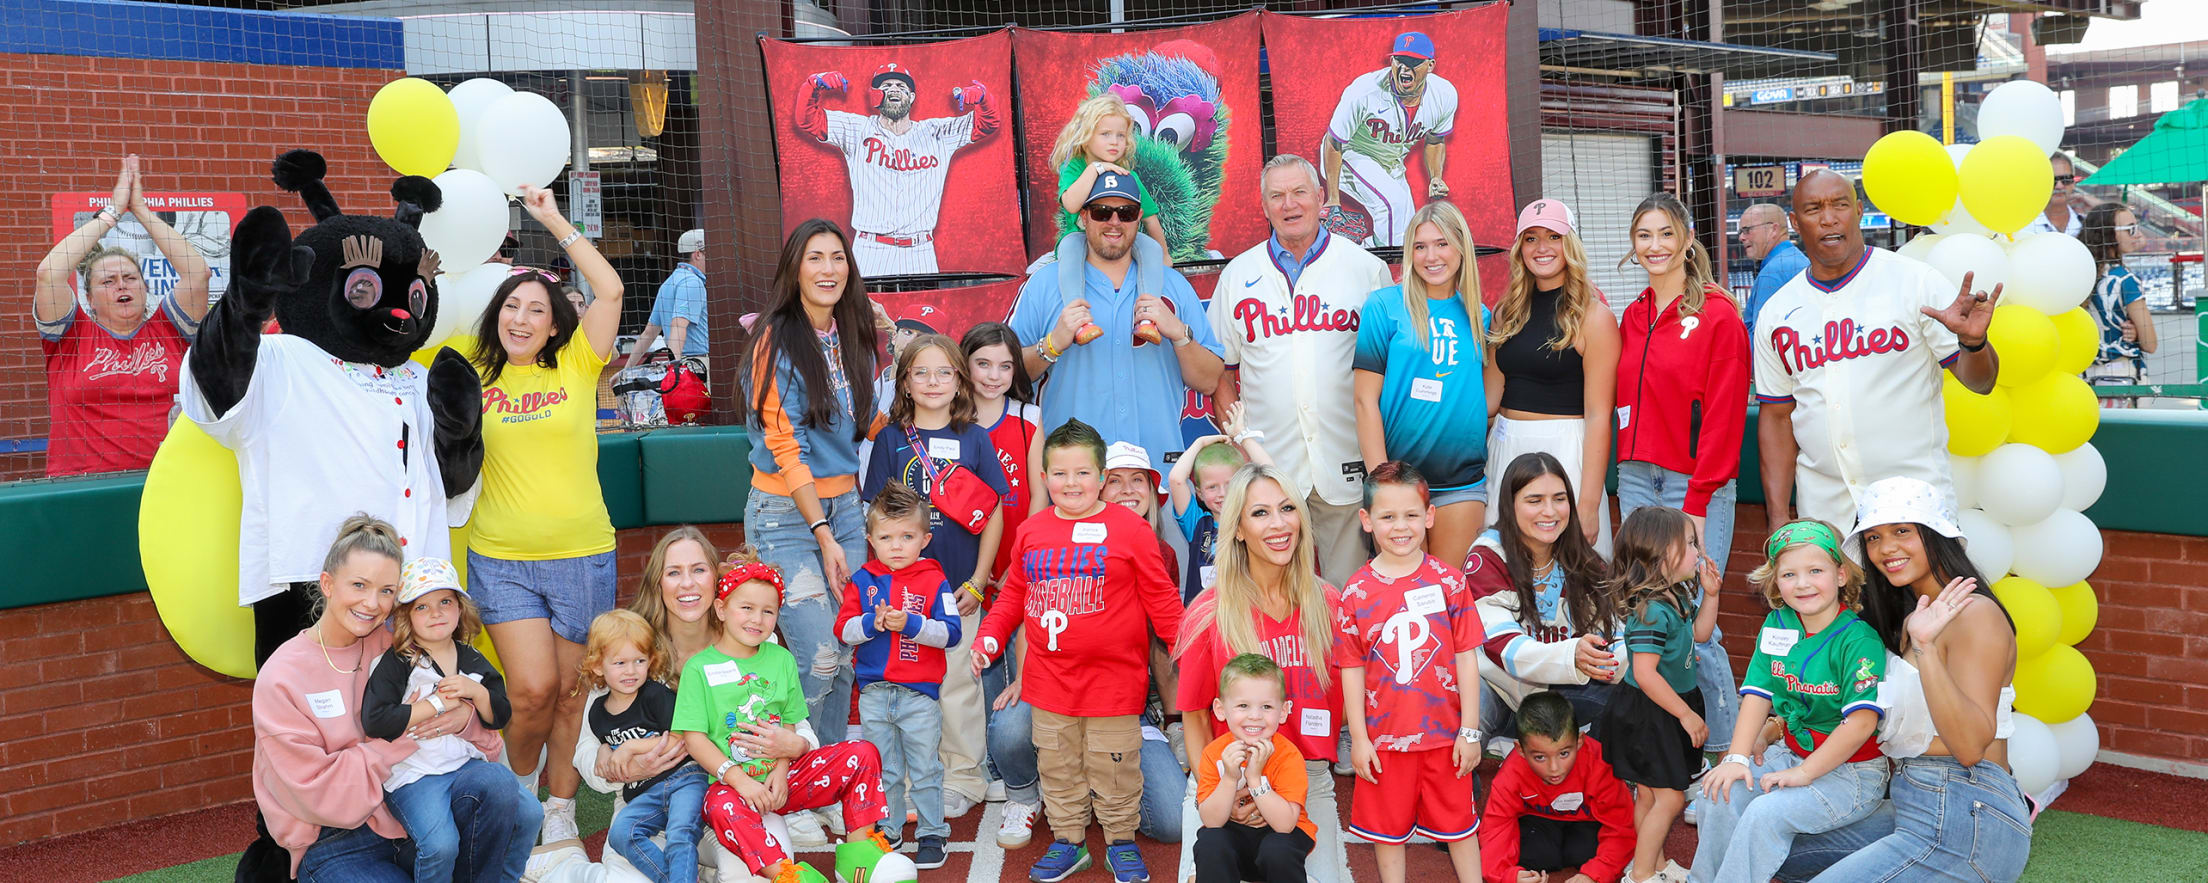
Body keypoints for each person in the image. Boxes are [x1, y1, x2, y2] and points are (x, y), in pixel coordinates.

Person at [459, 184, 625, 844]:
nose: (522, 317)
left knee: (568, 693)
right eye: (511, 307)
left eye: (536, 308)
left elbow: (609, 291)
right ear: (496, 316)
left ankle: (559, 809)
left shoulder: (577, 363)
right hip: (501, 558)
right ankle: (519, 796)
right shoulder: (468, 369)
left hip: (582, 552)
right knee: (528, 690)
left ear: (554, 322)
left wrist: (552, 218)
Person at [248, 516, 526, 882]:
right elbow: (315, 794)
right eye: (359, 585)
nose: (372, 603)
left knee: (498, 786)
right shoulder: (281, 676)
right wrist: (404, 738)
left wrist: (465, 720)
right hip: (333, 840)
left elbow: (487, 743)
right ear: (328, 584)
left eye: (386, 590)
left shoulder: (399, 646)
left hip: (410, 813)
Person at [971, 419, 1184, 883]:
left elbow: (1162, 598)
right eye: (1061, 474)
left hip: (1114, 684)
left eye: (1083, 473)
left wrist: (1185, 647)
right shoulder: (1031, 531)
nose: (1072, 484)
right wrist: (990, 635)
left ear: (1102, 477)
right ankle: (1068, 840)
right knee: (1059, 765)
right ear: (1044, 478)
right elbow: (1013, 596)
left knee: (1115, 767)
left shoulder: (1129, 530)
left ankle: (1121, 842)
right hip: (1050, 685)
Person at [1802, 477, 2028, 882]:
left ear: (1936, 535)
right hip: (1912, 800)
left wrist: (1925, 648)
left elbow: (1970, 745)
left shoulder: (1974, 615)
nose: (1885, 548)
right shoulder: (1915, 616)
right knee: (1781, 846)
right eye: (1873, 537)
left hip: (1969, 810)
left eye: (1902, 530)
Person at [1755, 168, 2001, 532]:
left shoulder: (1915, 281)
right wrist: (1778, 517)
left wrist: (1974, 343)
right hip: (1825, 510)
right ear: (1794, 221)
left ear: (1857, 211)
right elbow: (1776, 417)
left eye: (1839, 204)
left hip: (1915, 505)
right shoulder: (1778, 311)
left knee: (1925, 593)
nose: (1828, 218)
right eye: (1813, 208)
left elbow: (1981, 383)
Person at [739, 218, 884, 771]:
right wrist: (822, 534)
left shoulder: (853, 335)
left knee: (845, 652)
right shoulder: (774, 338)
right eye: (815, 258)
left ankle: (817, 776)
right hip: (787, 516)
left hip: (846, 508)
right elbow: (784, 442)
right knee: (817, 656)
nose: (829, 269)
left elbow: (860, 420)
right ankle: (778, 774)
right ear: (794, 270)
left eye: (838, 258)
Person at [1212, 154, 1395, 587]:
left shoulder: (1365, 269)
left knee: (1348, 597)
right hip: (1271, 466)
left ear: (1320, 197)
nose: (1289, 205)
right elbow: (1221, 370)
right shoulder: (1238, 274)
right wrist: (1244, 450)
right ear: (1263, 205)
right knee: (1273, 599)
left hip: (1346, 460)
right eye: (1277, 196)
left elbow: (1389, 371)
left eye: (1299, 193)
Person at [1612, 192, 1748, 762]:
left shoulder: (1717, 313)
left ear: (1688, 239)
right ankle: (1673, 757)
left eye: (1666, 233)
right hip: (1637, 481)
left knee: (1700, 624)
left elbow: (1722, 414)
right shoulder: (1633, 314)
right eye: (1644, 235)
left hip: (1696, 485)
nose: (1655, 246)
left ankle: (1729, 756)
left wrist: (1698, 499)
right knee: (1649, 617)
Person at [677, 552, 903, 883]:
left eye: (768, 611)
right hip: (732, 788)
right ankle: (786, 875)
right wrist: (739, 780)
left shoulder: (781, 659)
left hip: (784, 780)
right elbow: (693, 738)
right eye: (747, 608)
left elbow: (788, 722)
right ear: (721, 609)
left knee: (861, 752)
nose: (757, 619)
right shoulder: (698, 668)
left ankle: (858, 858)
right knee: (719, 804)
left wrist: (781, 771)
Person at [1175, 462, 1345, 881]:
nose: (1279, 524)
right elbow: (1196, 717)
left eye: (1288, 508)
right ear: (1236, 528)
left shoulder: (1329, 606)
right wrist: (1225, 792)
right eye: (1260, 513)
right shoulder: (1208, 613)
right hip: (1223, 774)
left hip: (1302, 777)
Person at [1691, 520, 1887, 883]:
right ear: (1775, 582)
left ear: (1841, 574)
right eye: (1789, 574)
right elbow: (1757, 694)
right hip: (1794, 753)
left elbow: (1861, 723)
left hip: (1851, 773)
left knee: (1765, 813)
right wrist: (1735, 759)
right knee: (1717, 792)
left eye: (1816, 570)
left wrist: (1803, 773)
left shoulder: (1859, 640)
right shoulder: (1777, 623)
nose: (1803, 583)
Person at [1010, 173, 1226, 478]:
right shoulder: (1045, 284)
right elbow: (1008, 377)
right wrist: (1052, 344)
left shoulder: (1173, 286)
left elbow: (1209, 381)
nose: (1114, 222)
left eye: (1125, 213)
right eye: (1101, 212)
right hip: (1075, 480)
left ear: (1139, 217)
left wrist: (1179, 334)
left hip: (1157, 473)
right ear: (1083, 217)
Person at [1336, 460, 1484, 883]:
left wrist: (1470, 730)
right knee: (1387, 835)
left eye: (1411, 515)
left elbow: (1466, 657)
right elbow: (1351, 668)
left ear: (1429, 516)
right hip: (1385, 742)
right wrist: (1360, 739)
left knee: (1460, 828)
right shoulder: (1356, 592)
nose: (1400, 527)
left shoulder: (1450, 583)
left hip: (1445, 736)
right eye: (1387, 517)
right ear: (1366, 520)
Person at [35, 154, 212, 477]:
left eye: (130, 278)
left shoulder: (168, 328)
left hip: (168, 481)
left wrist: (141, 211)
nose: (121, 285)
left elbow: (198, 274)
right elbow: (49, 272)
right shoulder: (70, 336)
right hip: (82, 484)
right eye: (108, 281)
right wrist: (112, 213)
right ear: (88, 298)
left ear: (145, 289)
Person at [360, 556, 534, 883]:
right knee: (440, 846)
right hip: (414, 775)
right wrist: (436, 703)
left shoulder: (471, 658)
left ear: (460, 609)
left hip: (465, 765)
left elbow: (501, 714)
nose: (437, 613)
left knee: (530, 814)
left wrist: (478, 694)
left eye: (445, 602)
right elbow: (375, 720)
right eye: (422, 607)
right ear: (406, 617)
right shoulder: (397, 662)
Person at [1354, 200, 1499, 569]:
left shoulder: (1480, 316)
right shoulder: (1384, 307)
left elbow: (1487, 396)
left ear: (1461, 249)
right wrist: (1382, 484)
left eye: (1442, 244)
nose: (1431, 256)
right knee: (1404, 593)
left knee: (1452, 591)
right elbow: (1364, 402)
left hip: (1461, 482)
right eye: (1420, 247)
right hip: (1399, 483)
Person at [837, 483, 962, 868]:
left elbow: (951, 633)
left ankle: (930, 832)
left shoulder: (934, 579)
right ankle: (888, 830)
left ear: (924, 539)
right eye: (886, 537)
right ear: (870, 538)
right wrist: (871, 625)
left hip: (919, 696)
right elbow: (843, 631)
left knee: (925, 767)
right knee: (883, 769)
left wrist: (911, 624)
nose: (896, 546)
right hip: (874, 694)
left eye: (906, 537)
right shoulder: (862, 580)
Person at [1592, 507, 1718, 883]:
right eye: (1690, 544)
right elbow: (1645, 674)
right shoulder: (1649, 611)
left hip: (1667, 705)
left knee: (1649, 795)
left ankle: (1655, 864)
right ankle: (1642, 874)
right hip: (1653, 711)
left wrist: (1711, 595)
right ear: (1661, 553)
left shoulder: (1674, 595)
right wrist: (1686, 715)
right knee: (1671, 798)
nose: (1699, 552)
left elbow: (1700, 635)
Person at [1486, 198, 1618, 553]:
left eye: (1553, 237)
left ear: (1570, 243)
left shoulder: (1594, 317)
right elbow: (1489, 402)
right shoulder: (1505, 313)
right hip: (1505, 447)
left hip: (1567, 448)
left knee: (1572, 575)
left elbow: (1598, 416)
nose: (1542, 248)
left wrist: (1588, 503)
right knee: (1507, 567)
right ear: (1519, 249)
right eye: (1530, 238)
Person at [1465, 452, 1618, 740]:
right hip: (1496, 689)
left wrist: (1630, 661)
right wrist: (1573, 654)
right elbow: (1504, 649)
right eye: (1534, 500)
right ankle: (1459, 785)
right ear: (1510, 505)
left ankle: (1601, 779)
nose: (1549, 511)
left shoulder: (1584, 561)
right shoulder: (1488, 557)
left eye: (1559, 499)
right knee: (1466, 707)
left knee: (1633, 690)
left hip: (1559, 691)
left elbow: (1617, 636)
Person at [795, 63, 999, 276]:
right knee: (863, 309)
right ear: (874, 95)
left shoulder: (937, 133)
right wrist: (814, 85)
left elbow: (987, 124)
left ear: (911, 97)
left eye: (901, 86)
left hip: (920, 250)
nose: (893, 89)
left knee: (922, 308)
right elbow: (807, 119)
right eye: (886, 85)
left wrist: (984, 100)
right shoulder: (857, 129)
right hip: (870, 249)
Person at [579, 609, 708, 883]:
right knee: (621, 833)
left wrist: (630, 747)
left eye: (639, 661)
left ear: (651, 661)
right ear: (599, 666)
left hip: (684, 778)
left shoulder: (655, 695)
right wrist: (605, 750)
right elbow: (605, 743)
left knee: (679, 833)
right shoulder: (597, 712)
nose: (631, 671)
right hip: (642, 792)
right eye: (620, 663)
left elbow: (681, 736)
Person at [1478, 690, 1634, 883]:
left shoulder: (1600, 763)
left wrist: (1594, 874)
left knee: (1585, 852)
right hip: (1538, 822)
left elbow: (1622, 826)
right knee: (1536, 856)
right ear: (1520, 750)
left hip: (1586, 823)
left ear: (1579, 742)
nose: (1554, 769)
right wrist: (1507, 875)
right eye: (1540, 757)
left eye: (1563, 754)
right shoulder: (1512, 772)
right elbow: (1496, 827)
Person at [1319, 31, 1457, 248]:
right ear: (1391, 60)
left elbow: (1435, 140)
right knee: (1394, 204)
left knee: (1408, 228)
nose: (1404, 68)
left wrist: (1436, 177)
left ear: (1430, 65)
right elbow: (1334, 141)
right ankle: (1391, 273)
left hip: (1391, 162)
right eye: (1399, 60)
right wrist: (1333, 198)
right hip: (1350, 154)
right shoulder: (1364, 91)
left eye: (1413, 62)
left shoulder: (1444, 95)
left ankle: (1356, 254)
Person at [1193, 653, 1318, 883]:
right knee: (1211, 842)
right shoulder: (1214, 753)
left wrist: (1254, 779)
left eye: (1267, 707)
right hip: (1236, 839)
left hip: (1282, 837)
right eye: (1243, 705)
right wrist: (1230, 778)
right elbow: (1211, 821)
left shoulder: (1288, 755)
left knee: (1277, 849)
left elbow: (1285, 825)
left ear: (1283, 711)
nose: (1255, 716)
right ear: (1221, 709)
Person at [1166, 403, 1272, 604]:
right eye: (1212, 487)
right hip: (1205, 619)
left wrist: (1243, 436)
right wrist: (1199, 443)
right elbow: (1176, 480)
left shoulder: (1254, 519)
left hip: (1248, 615)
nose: (1222, 494)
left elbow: (1272, 475)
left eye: (1230, 484)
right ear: (1199, 492)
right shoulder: (1197, 524)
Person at [1051, 92, 1171, 264]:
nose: (1114, 141)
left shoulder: (1127, 176)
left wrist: (1164, 255)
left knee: (1150, 249)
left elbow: (1150, 219)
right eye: (1105, 134)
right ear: (1085, 137)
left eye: (1120, 135)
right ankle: (1074, 292)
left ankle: (1150, 291)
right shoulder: (1074, 167)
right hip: (1080, 238)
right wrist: (1095, 169)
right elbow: (1071, 205)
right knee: (1069, 250)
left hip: (1119, 238)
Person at [2080, 202, 2157, 406]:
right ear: (2109, 235)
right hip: (2124, 380)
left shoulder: (2080, 276)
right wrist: (2138, 334)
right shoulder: (2125, 280)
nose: (2137, 234)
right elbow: (2150, 343)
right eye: (2131, 228)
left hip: (2084, 380)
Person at [624, 228, 709, 372]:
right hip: (696, 365)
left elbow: (649, 333)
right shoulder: (693, 282)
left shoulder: (669, 282)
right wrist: (675, 370)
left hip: (683, 365)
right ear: (698, 254)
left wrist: (625, 371)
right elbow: (678, 325)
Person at [1738, 202, 1808, 335]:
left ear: (1773, 230)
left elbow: (1761, 337)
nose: (1741, 237)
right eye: (1741, 232)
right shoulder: (1800, 260)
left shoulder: (1773, 272)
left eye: (1747, 230)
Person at [2021, 153, 2082, 237]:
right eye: (2052, 180)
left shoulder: (2084, 224)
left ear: (2073, 182)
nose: (2059, 186)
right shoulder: (2024, 227)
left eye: (2066, 179)